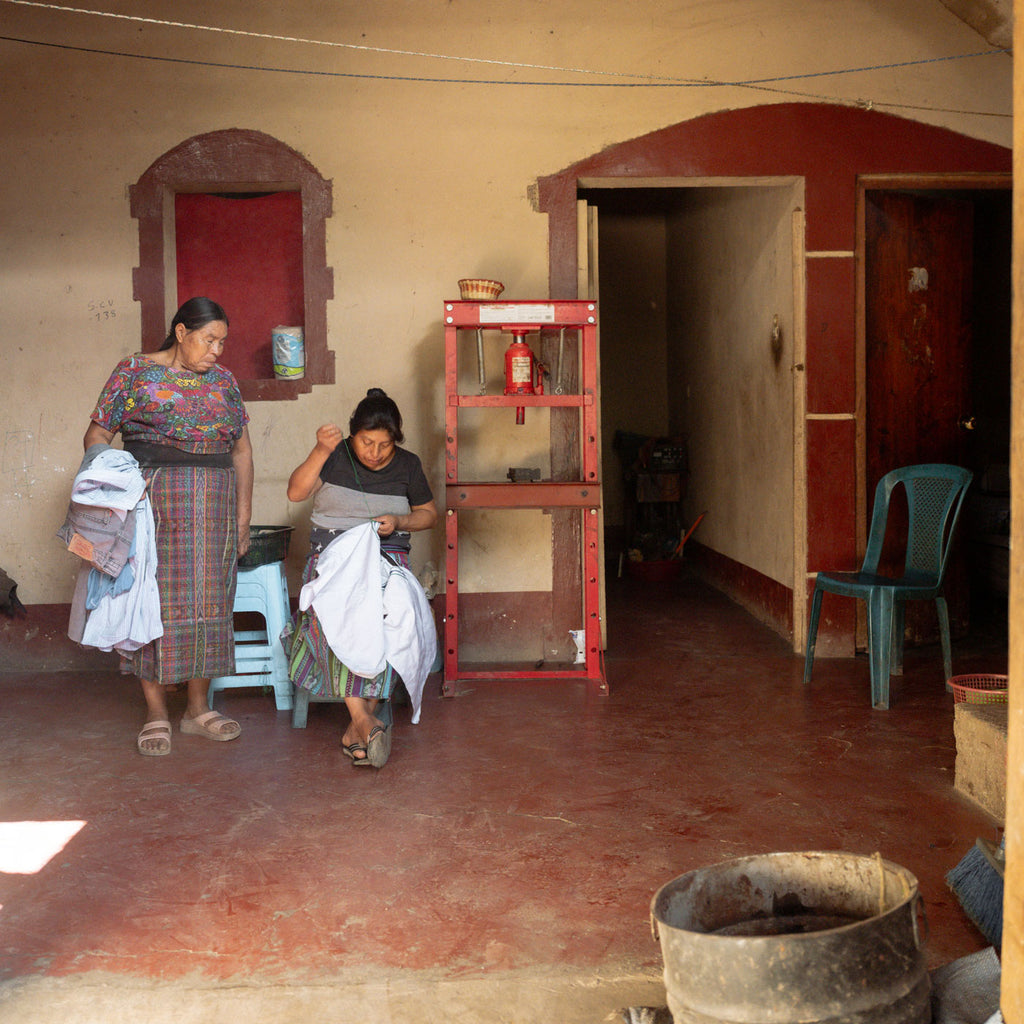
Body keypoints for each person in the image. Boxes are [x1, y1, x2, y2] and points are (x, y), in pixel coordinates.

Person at [81, 296, 254, 756]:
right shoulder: (134, 372)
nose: (217, 350)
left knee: (209, 602)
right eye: (209, 339)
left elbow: (241, 451)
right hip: (152, 504)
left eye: (222, 342)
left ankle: (198, 710)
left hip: (215, 506)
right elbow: (98, 433)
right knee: (148, 599)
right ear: (181, 332)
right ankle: (157, 713)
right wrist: (106, 482)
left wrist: (242, 518)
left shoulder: (224, 382)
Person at [285, 388, 437, 767]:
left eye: (385, 445)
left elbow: (429, 514)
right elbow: (296, 491)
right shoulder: (334, 457)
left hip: (387, 562)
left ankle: (359, 727)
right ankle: (365, 721)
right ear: (352, 435)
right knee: (333, 613)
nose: (375, 452)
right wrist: (320, 449)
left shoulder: (408, 465)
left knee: (393, 614)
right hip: (332, 563)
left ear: (396, 442)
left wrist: (400, 521)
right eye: (367, 442)